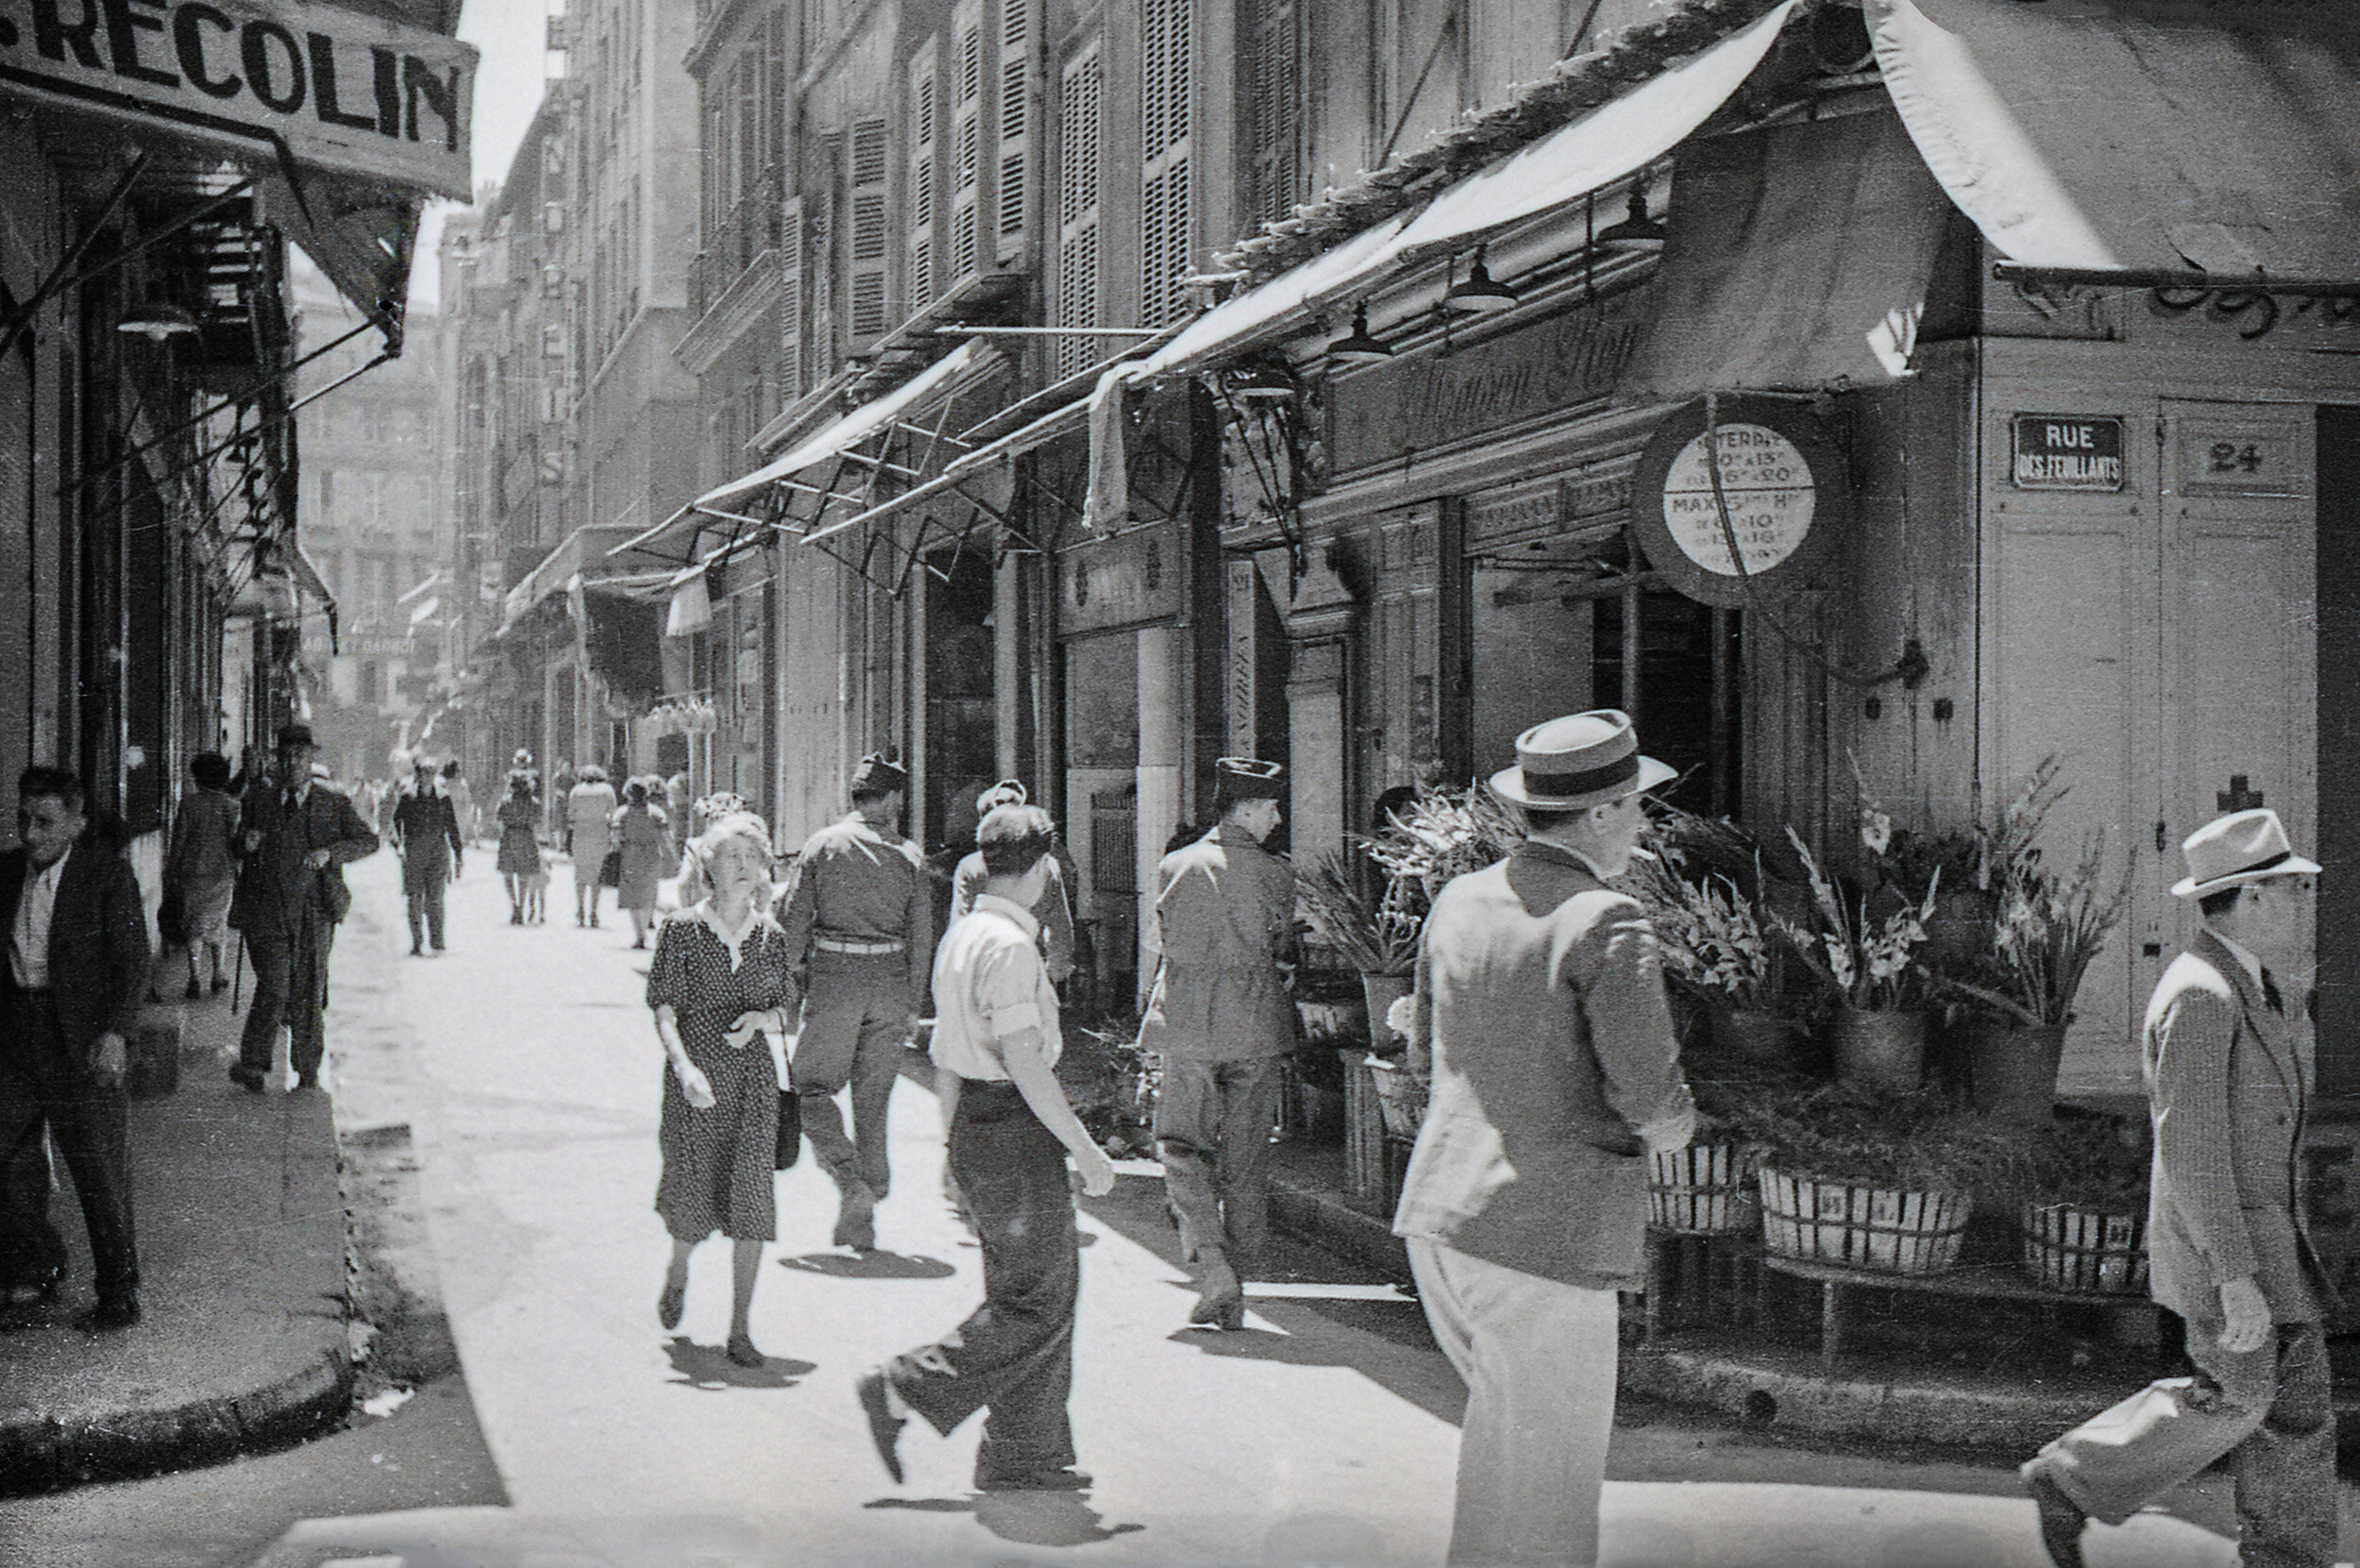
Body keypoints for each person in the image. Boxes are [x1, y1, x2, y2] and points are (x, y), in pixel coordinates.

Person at [1392, 710, 1694, 1568]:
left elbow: (1422, 1054)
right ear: (1600, 813)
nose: (1642, 821)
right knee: (1551, 1496)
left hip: (1444, 1220)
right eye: (1636, 804)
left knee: (1504, 1464)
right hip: (1545, 1234)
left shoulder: (1459, 897)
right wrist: (1679, 1131)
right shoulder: (1608, 918)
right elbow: (1651, 1096)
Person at [2022, 807, 2338, 1568]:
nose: (2304, 902)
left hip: (2271, 1241)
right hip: (2229, 1246)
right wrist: (2234, 1276)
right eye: (2293, 888)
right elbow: (2193, 1151)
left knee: (2295, 1408)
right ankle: (2072, 1475)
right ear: (2252, 898)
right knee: (2238, 1394)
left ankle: (2288, 1557)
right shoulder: (2203, 993)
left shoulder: (2250, 986)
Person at [854, 803, 1116, 1492]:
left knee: (1026, 1292)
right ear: (1042, 868)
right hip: (1012, 1125)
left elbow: (946, 1054)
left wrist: (951, 1146)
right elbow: (1025, 1061)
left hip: (976, 1119)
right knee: (1039, 1299)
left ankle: (1022, 1453)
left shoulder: (964, 935)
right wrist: (1086, 1148)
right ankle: (903, 1385)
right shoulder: (1008, 947)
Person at [1138, 756, 1298, 1329]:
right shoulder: (1279, 874)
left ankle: (1212, 1265)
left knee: (1182, 1146)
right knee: (1248, 1155)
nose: (1278, 818)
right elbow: (1283, 947)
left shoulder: (1174, 866)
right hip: (1256, 1025)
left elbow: (1161, 940)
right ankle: (1239, 1279)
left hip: (1188, 1023)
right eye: (1272, 807)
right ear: (1248, 808)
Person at [0, 767, 151, 1330]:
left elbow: (132, 961)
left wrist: (116, 1033)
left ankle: (119, 1291)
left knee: (99, 1169)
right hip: (17, 1034)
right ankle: (34, 1270)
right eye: (23, 819)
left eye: (45, 822)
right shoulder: (7, 873)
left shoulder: (105, 877)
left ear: (76, 824)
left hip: (83, 1042)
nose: (30, 833)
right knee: (9, 1161)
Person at [648, 811, 796, 1368]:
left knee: (751, 1199)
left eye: (750, 857)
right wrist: (685, 1067)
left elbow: (783, 1006)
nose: (740, 866)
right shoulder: (682, 929)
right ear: (708, 864)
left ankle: (740, 1328)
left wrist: (761, 1021)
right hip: (697, 1077)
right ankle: (679, 1267)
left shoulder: (771, 938)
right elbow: (664, 1008)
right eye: (729, 855)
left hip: (753, 1083)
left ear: (763, 871)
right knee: (693, 1187)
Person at [776, 754, 931, 1253]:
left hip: (836, 978)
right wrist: (912, 1000)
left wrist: (782, 983)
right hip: (889, 982)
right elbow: (922, 935)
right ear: (889, 799)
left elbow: (795, 919)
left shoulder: (822, 845)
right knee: (874, 1095)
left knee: (810, 1089)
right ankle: (873, 1188)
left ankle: (851, 1183)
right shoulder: (909, 855)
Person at [228, 723, 379, 1092]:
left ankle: (308, 1070)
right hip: (266, 908)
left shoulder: (333, 804)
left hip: (314, 910)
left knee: (309, 989)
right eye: (287, 755)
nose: (293, 762)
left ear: (312, 759)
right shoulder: (258, 801)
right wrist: (245, 844)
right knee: (276, 985)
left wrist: (331, 854)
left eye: (301, 755)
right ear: (277, 760)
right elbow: (235, 847)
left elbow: (369, 841)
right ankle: (253, 1063)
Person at [950, 782, 1075, 985]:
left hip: (983, 964)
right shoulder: (1046, 864)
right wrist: (1056, 969)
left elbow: (961, 920)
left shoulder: (970, 865)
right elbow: (1059, 923)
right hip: (1030, 962)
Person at [160, 751, 240, 999]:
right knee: (218, 923)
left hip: (192, 873)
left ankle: (194, 976)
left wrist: (171, 868)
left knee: (193, 926)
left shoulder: (189, 804)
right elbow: (236, 842)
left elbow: (179, 839)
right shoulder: (232, 805)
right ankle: (219, 973)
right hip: (222, 873)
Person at [391, 755, 464, 956]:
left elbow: (452, 826)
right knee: (414, 897)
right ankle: (417, 941)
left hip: (438, 850)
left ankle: (437, 940)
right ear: (418, 775)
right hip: (414, 849)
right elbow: (395, 822)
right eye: (425, 772)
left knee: (435, 898)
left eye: (432, 772)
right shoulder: (408, 797)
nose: (429, 776)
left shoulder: (443, 798)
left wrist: (458, 853)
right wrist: (398, 845)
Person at [613, 777, 671, 949]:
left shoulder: (621, 813)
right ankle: (644, 930)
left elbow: (616, 838)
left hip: (631, 855)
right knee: (648, 894)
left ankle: (639, 934)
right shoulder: (657, 813)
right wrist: (673, 856)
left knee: (632, 896)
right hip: (651, 854)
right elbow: (666, 837)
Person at [567, 765, 618, 928]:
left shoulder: (576, 790)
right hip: (600, 833)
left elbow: (570, 814)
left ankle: (580, 909)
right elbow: (613, 813)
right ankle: (594, 912)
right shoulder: (607, 790)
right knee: (597, 873)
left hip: (581, 833)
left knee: (580, 873)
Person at [496, 771, 545, 925]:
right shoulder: (534, 802)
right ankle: (521, 906)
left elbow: (498, 818)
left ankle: (514, 904)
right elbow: (538, 820)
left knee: (508, 875)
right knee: (524, 876)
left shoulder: (505, 801)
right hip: (526, 836)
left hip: (509, 836)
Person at [442, 759, 475, 846]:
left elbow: (467, 802)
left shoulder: (460, 785)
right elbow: (467, 802)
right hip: (455, 813)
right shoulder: (458, 785)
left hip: (458, 813)